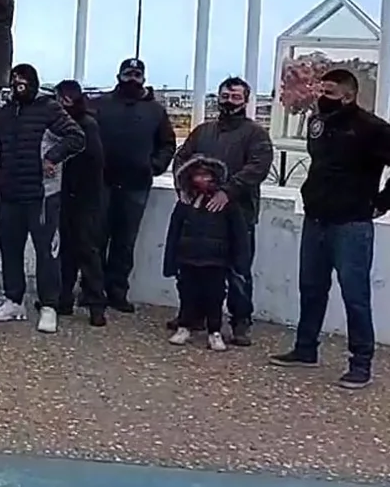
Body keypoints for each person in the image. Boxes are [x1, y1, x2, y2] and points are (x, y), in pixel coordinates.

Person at [270, 68, 390, 390]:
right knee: (311, 288)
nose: (322, 97)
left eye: (330, 92)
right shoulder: (317, 123)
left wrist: (383, 201)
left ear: (349, 95)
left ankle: (360, 363)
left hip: (351, 224)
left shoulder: (371, 128)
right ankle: (305, 348)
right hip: (316, 219)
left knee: (355, 296)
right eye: (321, 90)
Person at [171, 77, 275, 346]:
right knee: (193, 268)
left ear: (246, 100)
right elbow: (182, 158)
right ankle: (192, 315)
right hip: (200, 215)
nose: (229, 101)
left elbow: (258, 167)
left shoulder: (256, 134)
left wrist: (227, 191)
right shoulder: (203, 131)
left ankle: (240, 321)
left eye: (236, 97)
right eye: (225, 96)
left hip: (238, 212)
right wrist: (182, 185)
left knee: (238, 269)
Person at [0, 64, 85, 333]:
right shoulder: (4, 115)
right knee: (10, 249)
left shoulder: (49, 108)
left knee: (46, 253)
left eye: (24, 83)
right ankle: (14, 300)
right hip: (10, 193)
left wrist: (53, 157)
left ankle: (49, 306)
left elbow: (77, 137)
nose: (19, 87)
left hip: (43, 195)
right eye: (15, 83)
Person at [90, 57, 175, 313]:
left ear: (143, 78)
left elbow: (167, 144)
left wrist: (154, 166)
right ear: (119, 76)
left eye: (136, 75)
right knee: (95, 239)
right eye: (128, 74)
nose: (132, 78)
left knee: (124, 242)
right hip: (100, 182)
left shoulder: (155, 111)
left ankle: (117, 292)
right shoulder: (99, 105)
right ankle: (91, 290)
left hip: (136, 184)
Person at [163, 156, 251, 352]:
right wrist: (170, 261)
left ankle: (215, 331)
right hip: (188, 257)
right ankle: (184, 326)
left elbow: (238, 233)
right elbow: (174, 232)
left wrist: (240, 262)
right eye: (198, 176)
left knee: (215, 295)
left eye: (206, 176)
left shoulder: (227, 204)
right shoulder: (185, 202)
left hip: (216, 260)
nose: (202, 180)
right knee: (187, 293)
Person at [52, 80, 108, 327]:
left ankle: (96, 304)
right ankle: (64, 298)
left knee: (87, 251)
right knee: (66, 251)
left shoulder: (87, 126)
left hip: (85, 198)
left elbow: (94, 163)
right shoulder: (69, 125)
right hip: (68, 196)